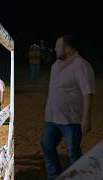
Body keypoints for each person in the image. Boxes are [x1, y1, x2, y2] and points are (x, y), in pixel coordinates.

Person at [41, 35, 95, 180]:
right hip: (52, 118)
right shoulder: (55, 66)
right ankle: (54, 176)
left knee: (73, 154)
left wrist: (86, 118)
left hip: (71, 120)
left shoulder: (81, 65)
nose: (55, 49)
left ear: (68, 48)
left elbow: (88, 93)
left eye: (58, 46)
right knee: (46, 146)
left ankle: (81, 177)